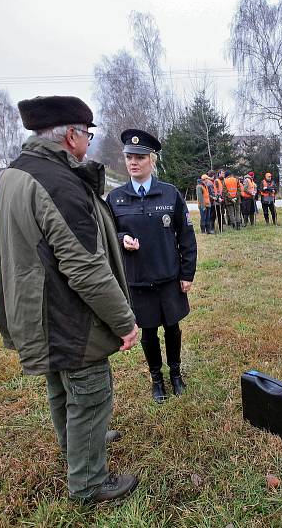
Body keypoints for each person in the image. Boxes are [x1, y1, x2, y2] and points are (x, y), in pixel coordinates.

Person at [0, 96, 140, 503]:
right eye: (88, 134)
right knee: (90, 393)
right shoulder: (59, 183)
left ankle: (75, 444)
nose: (89, 143)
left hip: (36, 310)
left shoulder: (15, 173)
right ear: (72, 134)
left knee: (60, 386)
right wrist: (124, 322)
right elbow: (86, 268)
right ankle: (89, 481)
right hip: (67, 314)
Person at [107, 129, 197, 403]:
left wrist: (187, 273)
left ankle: (176, 374)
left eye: (140, 157)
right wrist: (123, 239)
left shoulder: (169, 194)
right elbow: (108, 234)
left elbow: (186, 236)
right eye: (129, 157)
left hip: (168, 277)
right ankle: (156, 379)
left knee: (172, 327)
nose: (133, 162)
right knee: (148, 331)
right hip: (137, 280)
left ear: (152, 160)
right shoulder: (116, 198)